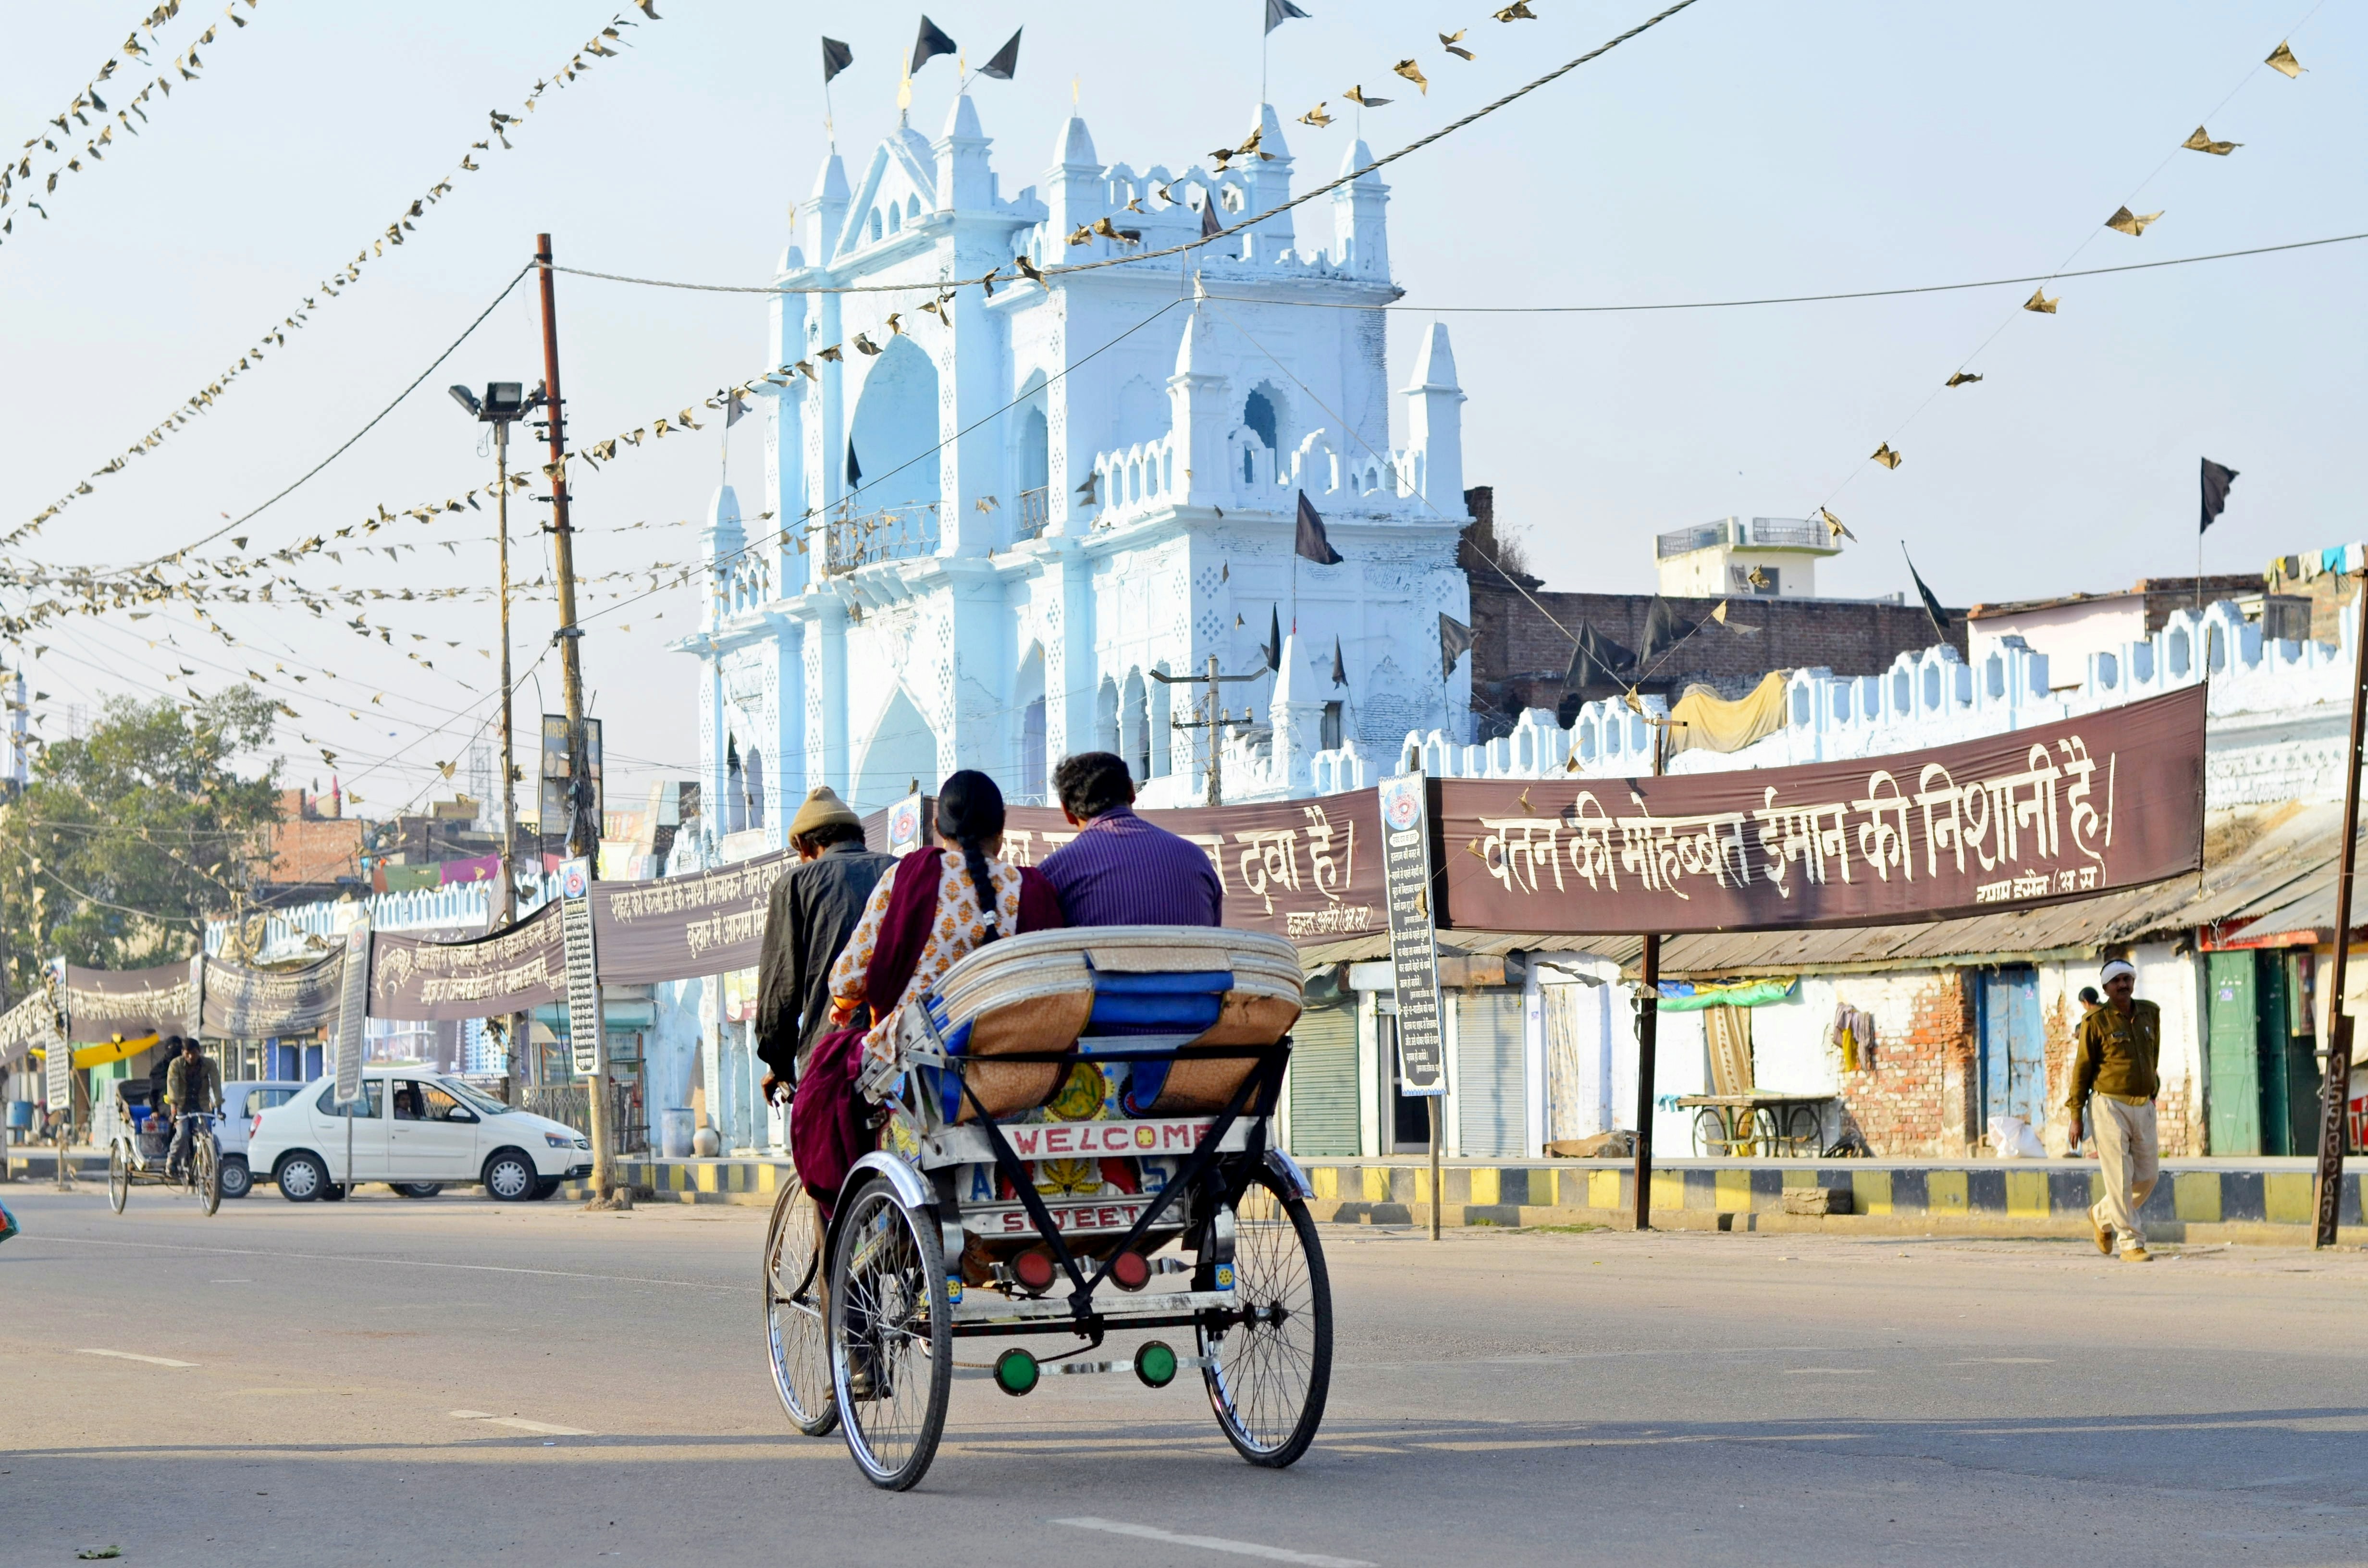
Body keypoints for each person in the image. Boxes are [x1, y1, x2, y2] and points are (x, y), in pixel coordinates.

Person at [791, 771, 1063, 1221]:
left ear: (938, 828)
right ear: (1004, 827)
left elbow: (847, 979)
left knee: (827, 1080)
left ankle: (853, 1220)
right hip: (1015, 1064)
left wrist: (844, 1008)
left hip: (920, 1062)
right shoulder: (1030, 888)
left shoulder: (909, 876)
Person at [754, 786, 893, 1109]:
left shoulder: (796, 884)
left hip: (831, 1058)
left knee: (830, 1156)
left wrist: (779, 1065)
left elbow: (779, 991)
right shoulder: (899, 870)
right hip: (901, 1052)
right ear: (859, 837)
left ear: (804, 845)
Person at [1036, 751, 1223, 927]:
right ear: (1131, 792)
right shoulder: (1196, 858)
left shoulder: (1054, 873)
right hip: (1195, 962)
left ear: (1066, 812)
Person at [2065, 958, 2160, 1262]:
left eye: (2127, 979)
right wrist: (2075, 1116)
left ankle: (2101, 1215)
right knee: (2119, 1176)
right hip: (2109, 1105)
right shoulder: (2096, 1022)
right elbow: (2082, 1070)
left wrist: (2152, 1090)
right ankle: (2130, 1242)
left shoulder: (2150, 1013)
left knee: (2147, 1176)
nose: (2123, 984)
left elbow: (2152, 1056)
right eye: (2116, 980)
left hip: (2143, 1105)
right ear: (2105, 987)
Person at [163, 1036, 220, 1180]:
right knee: (183, 1133)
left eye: (193, 1053)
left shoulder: (209, 1064)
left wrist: (218, 1103)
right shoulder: (176, 1065)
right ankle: (171, 1161)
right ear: (183, 1052)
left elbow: (216, 1084)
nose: (190, 1056)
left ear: (199, 1052)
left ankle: (209, 1163)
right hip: (182, 1104)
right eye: (187, 1053)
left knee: (207, 1134)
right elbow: (173, 1086)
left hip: (202, 1104)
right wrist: (174, 1107)